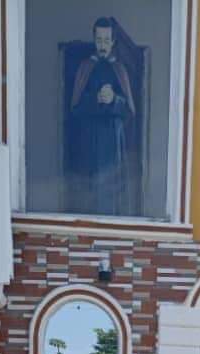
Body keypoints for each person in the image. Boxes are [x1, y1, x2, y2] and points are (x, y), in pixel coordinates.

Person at [70, 16, 135, 216]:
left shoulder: (119, 69)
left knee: (110, 192)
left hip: (112, 143)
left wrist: (114, 100)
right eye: (99, 40)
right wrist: (95, 99)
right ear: (94, 40)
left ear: (113, 42)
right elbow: (75, 108)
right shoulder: (85, 67)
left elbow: (129, 111)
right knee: (88, 192)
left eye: (106, 40)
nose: (102, 45)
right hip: (89, 141)